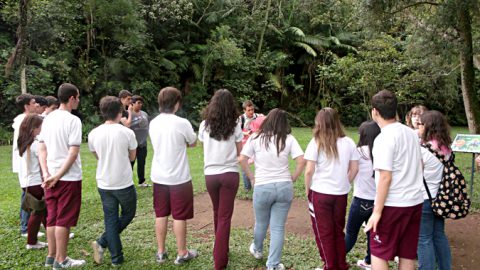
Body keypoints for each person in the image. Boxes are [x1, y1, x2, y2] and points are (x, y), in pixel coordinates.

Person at [364, 90, 424, 270]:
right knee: (407, 253)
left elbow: (385, 177)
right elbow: (421, 165)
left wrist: (376, 212)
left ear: (374, 111)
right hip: (415, 202)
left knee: (379, 250)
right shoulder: (412, 134)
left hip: (393, 204)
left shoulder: (384, 139)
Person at [240, 108, 305, 270]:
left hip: (263, 186)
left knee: (261, 223)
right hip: (284, 187)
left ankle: (257, 249)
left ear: (267, 120)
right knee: (278, 227)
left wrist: (252, 177)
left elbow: (242, 159)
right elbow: (302, 160)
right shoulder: (288, 138)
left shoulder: (256, 137)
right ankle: (273, 264)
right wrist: (294, 177)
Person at [304, 107, 359, 270]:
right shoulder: (348, 142)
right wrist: (345, 182)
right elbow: (355, 168)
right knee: (337, 230)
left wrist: (308, 190)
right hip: (340, 194)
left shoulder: (316, 141)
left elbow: (308, 171)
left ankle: (330, 266)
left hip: (320, 193)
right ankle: (341, 264)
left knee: (324, 232)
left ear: (319, 122)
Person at [38, 83, 85, 269]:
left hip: (50, 177)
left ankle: (51, 256)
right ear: (72, 98)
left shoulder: (48, 118)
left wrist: (47, 173)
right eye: (78, 97)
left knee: (52, 217)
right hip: (67, 178)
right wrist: (57, 175)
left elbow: (42, 148)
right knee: (63, 219)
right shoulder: (73, 120)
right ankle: (61, 260)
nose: (79, 101)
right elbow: (73, 153)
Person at [149, 87, 198, 265]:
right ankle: (182, 252)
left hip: (159, 176)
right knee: (179, 216)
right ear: (177, 104)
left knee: (161, 214)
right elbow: (193, 142)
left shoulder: (153, 123)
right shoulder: (182, 123)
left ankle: (161, 252)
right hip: (179, 178)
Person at [88, 96, 138, 267]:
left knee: (110, 218)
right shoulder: (127, 132)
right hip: (123, 182)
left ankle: (114, 255)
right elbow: (132, 156)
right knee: (129, 213)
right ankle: (103, 243)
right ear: (119, 112)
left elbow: (97, 156)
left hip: (104, 182)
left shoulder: (93, 133)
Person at [198, 89, 243, 270]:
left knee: (218, 213)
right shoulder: (235, 125)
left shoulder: (204, 125)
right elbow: (240, 152)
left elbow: (204, 147)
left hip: (211, 175)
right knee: (224, 217)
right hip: (230, 174)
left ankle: (220, 249)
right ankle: (220, 260)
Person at [417, 111, 452, 270]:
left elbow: (415, 175)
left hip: (425, 199)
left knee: (424, 239)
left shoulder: (423, 151)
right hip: (441, 198)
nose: (418, 127)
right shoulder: (447, 149)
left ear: (428, 127)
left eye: (421, 124)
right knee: (439, 235)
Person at [344, 121, 381, 270]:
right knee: (372, 235)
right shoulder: (382, 152)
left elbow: (348, 170)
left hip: (360, 201)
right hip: (377, 203)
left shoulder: (358, 152)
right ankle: (369, 262)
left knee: (351, 233)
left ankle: (335, 259)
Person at [17, 114, 48, 250]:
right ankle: (32, 242)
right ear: (34, 128)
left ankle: (53, 232)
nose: (42, 129)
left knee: (43, 211)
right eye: (40, 127)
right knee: (38, 212)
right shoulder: (35, 145)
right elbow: (44, 162)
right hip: (35, 182)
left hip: (27, 182)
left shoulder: (24, 143)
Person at [12, 93, 38, 237]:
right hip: (27, 165)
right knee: (27, 195)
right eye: (33, 102)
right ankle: (25, 227)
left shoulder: (27, 119)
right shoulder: (23, 121)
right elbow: (20, 145)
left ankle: (29, 226)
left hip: (30, 164)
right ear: (27, 106)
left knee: (30, 194)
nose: (36, 105)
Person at [239, 100, 260, 191]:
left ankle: (258, 185)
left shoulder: (258, 116)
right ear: (244, 110)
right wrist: (245, 132)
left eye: (252, 109)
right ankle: (247, 188)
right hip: (244, 143)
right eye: (249, 110)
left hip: (255, 142)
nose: (251, 112)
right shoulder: (241, 119)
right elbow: (236, 131)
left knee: (259, 162)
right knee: (245, 163)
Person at [130, 95, 150, 187]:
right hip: (132, 145)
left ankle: (141, 182)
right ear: (132, 104)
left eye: (141, 103)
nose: (140, 105)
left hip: (143, 144)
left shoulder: (144, 114)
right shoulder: (128, 114)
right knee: (130, 164)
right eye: (138, 103)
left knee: (142, 163)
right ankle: (128, 182)